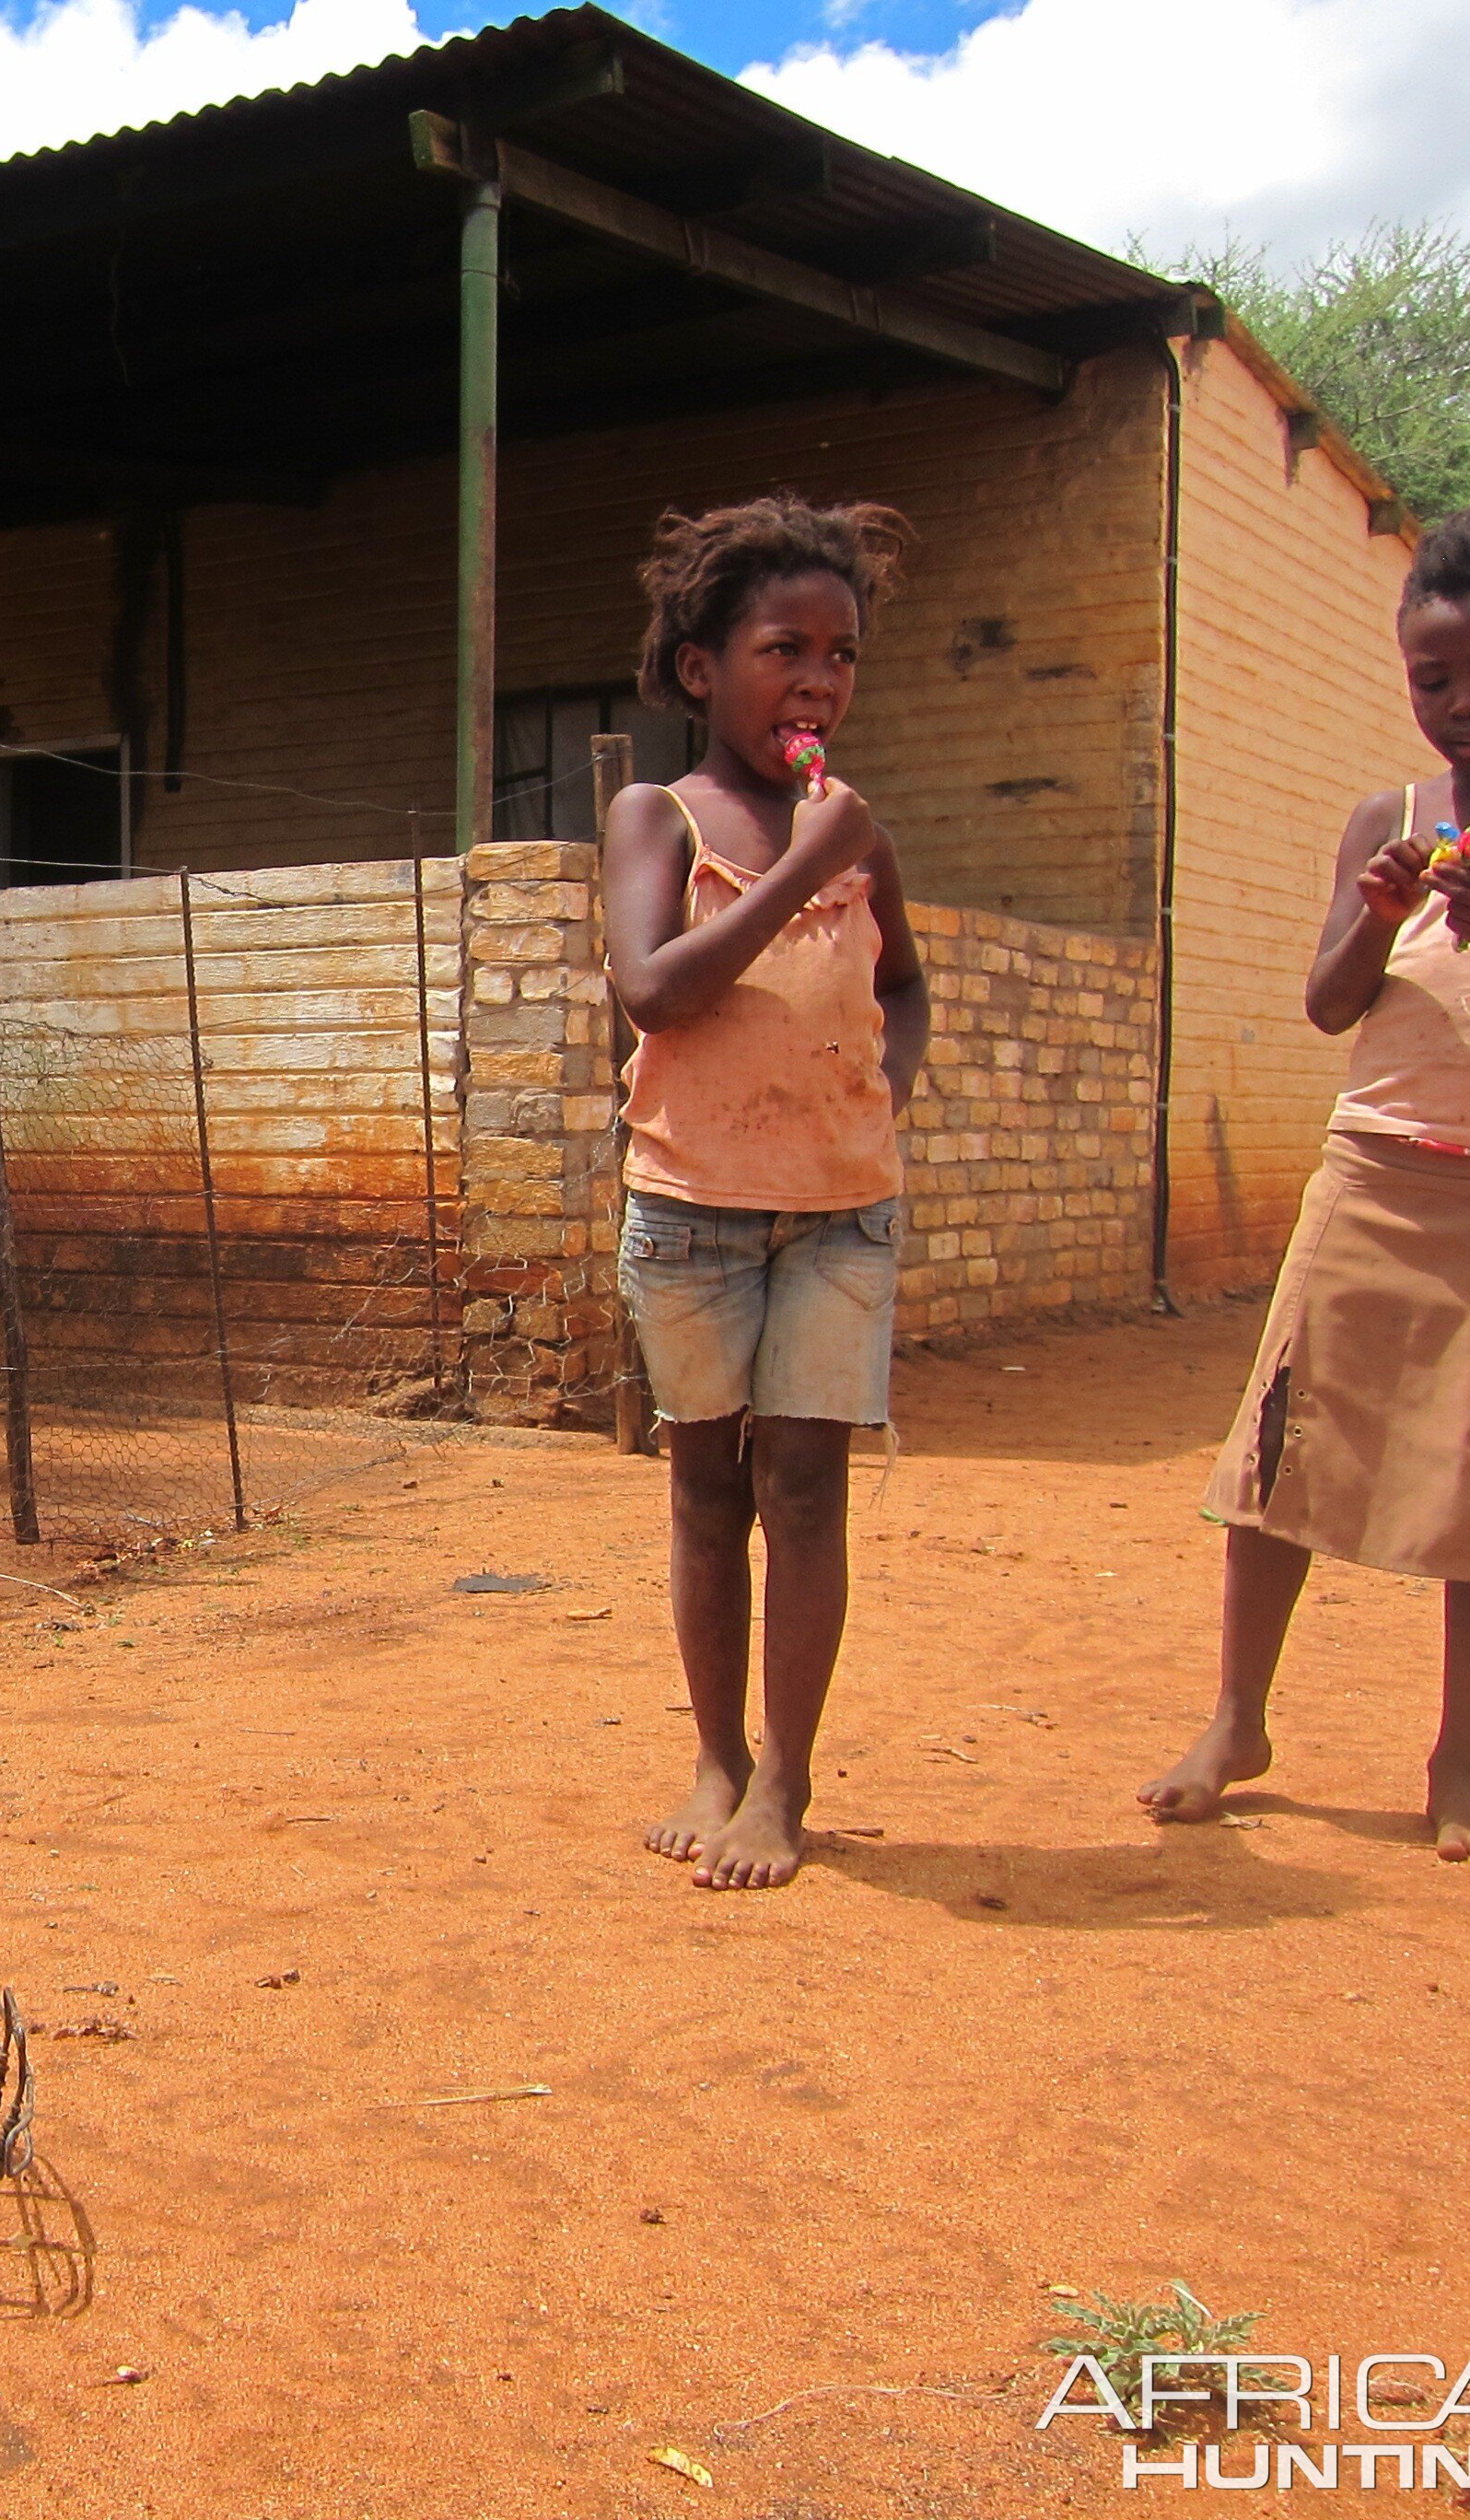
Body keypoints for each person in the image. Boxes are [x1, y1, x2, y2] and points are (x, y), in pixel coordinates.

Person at [1138, 509, 1470, 1861]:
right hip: (1373, 1169)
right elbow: (1330, 1006)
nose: (1464, 701)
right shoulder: (1394, 818)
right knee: (1282, 1447)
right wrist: (1381, 911)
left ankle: (1460, 1764)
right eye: (1434, 678)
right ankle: (1236, 1718)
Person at [604, 496, 929, 1893]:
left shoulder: (858, 835)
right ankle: (716, 1757)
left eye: (841, 655)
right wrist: (805, 859)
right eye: (783, 650)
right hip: (692, 1208)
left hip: (841, 1211)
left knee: (806, 1492)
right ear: (701, 669)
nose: (817, 681)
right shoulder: (659, 816)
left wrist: (883, 1083)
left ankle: (786, 1780)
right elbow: (653, 989)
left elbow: (904, 985)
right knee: (703, 1490)